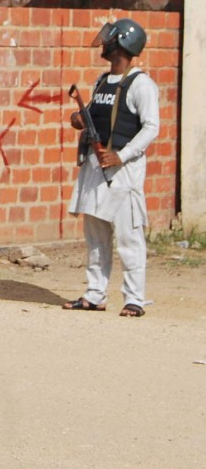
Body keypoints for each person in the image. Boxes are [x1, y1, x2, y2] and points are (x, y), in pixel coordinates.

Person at [63, 18, 160, 318]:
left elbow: (151, 128)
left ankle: (134, 299)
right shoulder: (102, 81)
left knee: (129, 237)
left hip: (123, 171)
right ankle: (95, 294)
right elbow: (93, 115)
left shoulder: (141, 84)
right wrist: (78, 119)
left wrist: (123, 155)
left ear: (122, 44)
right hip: (95, 166)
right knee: (95, 234)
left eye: (111, 39)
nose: (105, 44)